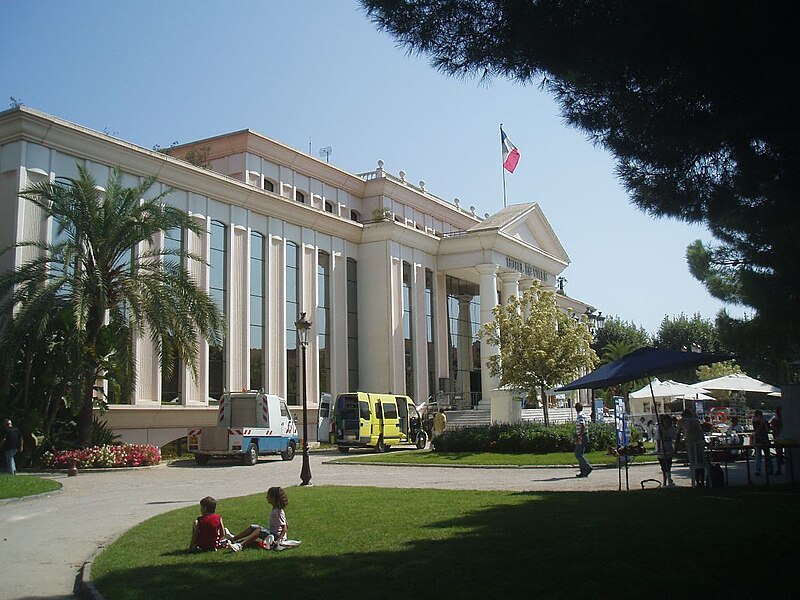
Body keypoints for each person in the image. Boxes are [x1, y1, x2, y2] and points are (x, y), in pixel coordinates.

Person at [229, 486, 289, 551]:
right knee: (253, 527)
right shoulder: (276, 510)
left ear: (274, 498)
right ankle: (233, 539)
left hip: (275, 537)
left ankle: (240, 545)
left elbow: (285, 527)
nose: (266, 497)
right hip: (272, 534)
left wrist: (278, 540)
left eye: (268, 496)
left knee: (259, 530)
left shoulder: (278, 511)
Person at [675, 409, 707, 487]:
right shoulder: (695, 420)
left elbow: (678, 434)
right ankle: (702, 480)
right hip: (701, 442)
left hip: (691, 443)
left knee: (694, 462)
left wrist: (676, 447)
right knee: (701, 461)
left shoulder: (681, 421)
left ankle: (697, 481)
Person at [655, 413, 677, 487]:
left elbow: (674, 439)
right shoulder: (660, 428)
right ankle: (665, 481)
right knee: (663, 467)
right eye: (665, 421)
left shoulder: (672, 428)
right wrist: (658, 450)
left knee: (668, 465)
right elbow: (658, 439)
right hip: (661, 449)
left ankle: (669, 479)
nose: (667, 423)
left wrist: (675, 448)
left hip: (669, 448)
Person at [573, 402, 593, 478]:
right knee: (581, 453)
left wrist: (580, 436)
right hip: (585, 435)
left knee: (578, 454)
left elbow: (583, 425)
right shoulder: (584, 415)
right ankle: (583, 471)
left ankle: (587, 467)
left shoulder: (580, 415)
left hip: (582, 436)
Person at [753, 409, 772, 476]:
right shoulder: (755, 422)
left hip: (765, 440)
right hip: (758, 440)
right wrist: (761, 424)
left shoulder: (765, 422)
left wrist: (764, 423)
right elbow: (757, 432)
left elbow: (767, 430)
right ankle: (758, 470)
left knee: (767, 455)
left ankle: (770, 469)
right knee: (758, 456)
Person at [770, 407, 783, 475]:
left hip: (778, 438)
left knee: (778, 454)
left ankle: (779, 469)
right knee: (779, 454)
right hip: (779, 438)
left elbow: (773, 429)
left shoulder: (775, 419)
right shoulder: (777, 419)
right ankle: (779, 468)